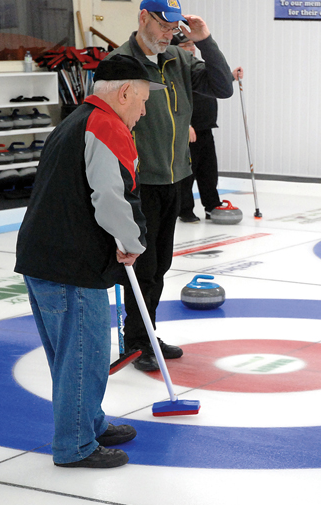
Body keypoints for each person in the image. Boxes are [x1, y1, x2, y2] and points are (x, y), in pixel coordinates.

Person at [15, 55, 164, 468]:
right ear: (125, 91)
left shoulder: (76, 120)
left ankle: (89, 422)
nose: (144, 110)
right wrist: (132, 242)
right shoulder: (106, 125)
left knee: (72, 356)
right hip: (71, 264)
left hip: (45, 257)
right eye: (144, 99)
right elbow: (110, 197)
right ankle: (75, 445)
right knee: (84, 356)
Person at [107, 0, 234, 372]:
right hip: (138, 182)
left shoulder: (178, 58)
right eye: (163, 25)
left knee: (159, 266)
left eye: (173, 27)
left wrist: (205, 41)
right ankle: (136, 341)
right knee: (141, 267)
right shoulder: (121, 63)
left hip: (175, 177)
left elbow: (222, 87)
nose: (168, 33)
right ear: (143, 17)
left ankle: (148, 334)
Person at [173, 38, 243, 223]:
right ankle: (185, 209)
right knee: (189, 172)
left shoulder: (197, 67)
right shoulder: (178, 70)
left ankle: (211, 205)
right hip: (188, 130)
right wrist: (185, 125)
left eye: (191, 45)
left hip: (206, 126)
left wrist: (230, 76)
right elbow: (174, 101)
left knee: (208, 171)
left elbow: (213, 82)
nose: (191, 49)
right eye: (185, 46)